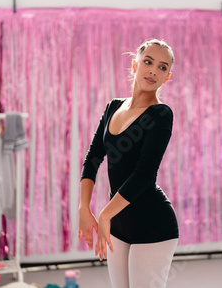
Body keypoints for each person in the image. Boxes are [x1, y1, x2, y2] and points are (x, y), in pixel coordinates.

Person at [78, 38, 179, 288]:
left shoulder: (161, 114)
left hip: (153, 224)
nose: (154, 70)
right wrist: (83, 207)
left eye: (162, 67)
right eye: (148, 62)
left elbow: (144, 175)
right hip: (118, 224)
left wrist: (103, 215)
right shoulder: (113, 107)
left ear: (167, 77)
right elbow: (93, 158)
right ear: (135, 66)